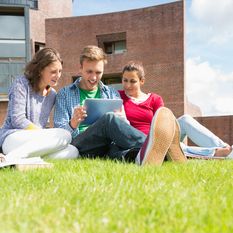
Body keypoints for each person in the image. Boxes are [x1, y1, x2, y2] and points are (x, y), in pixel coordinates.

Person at [54, 45, 186, 165]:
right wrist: (73, 123)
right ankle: (157, 146)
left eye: (98, 73)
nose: (94, 77)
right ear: (80, 69)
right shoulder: (64, 94)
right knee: (108, 119)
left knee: (121, 152)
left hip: (106, 146)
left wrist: (121, 119)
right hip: (81, 145)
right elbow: (60, 134)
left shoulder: (111, 93)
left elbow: (124, 129)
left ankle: (150, 156)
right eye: (89, 72)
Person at [119, 61, 233, 159]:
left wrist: (164, 135)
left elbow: (163, 122)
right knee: (172, 145)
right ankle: (217, 153)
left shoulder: (154, 98)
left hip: (159, 135)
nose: (128, 85)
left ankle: (225, 149)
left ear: (142, 81)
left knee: (185, 119)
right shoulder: (118, 97)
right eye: (125, 80)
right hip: (141, 141)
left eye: (132, 81)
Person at [0, 48, 78, 161]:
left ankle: (25, 158)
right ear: (40, 70)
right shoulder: (21, 84)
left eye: (60, 71)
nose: (58, 75)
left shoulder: (52, 95)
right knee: (64, 135)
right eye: (53, 72)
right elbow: (17, 119)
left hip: (35, 141)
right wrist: (42, 133)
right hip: (12, 137)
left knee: (72, 151)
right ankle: (10, 158)